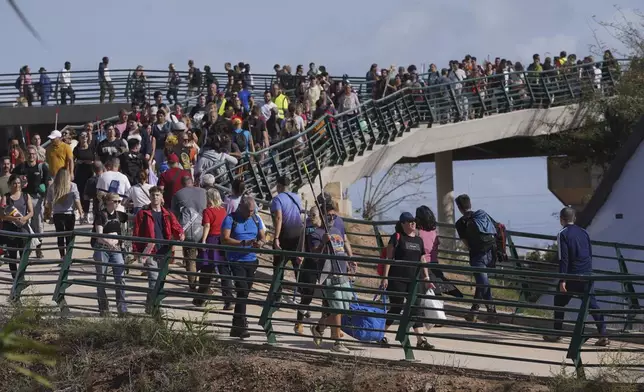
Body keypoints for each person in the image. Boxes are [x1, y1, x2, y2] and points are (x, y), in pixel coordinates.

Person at [543, 207, 610, 347]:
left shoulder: (563, 234)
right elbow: (589, 254)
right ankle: (603, 334)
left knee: (559, 301)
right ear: (574, 219)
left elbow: (563, 259)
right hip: (586, 274)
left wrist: (563, 280)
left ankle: (557, 333)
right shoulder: (584, 232)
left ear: (562, 219)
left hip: (573, 276)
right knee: (592, 304)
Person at [379, 212, 434, 349]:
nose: (413, 223)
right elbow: (389, 259)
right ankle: (380, 335)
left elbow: (422, 260)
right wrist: (385, 278)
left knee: (416, 308)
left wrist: (426, 277)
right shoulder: (397, 237)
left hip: (414, 279)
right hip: (397, 278)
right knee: (396, 307)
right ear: (403, 224)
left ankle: (421, 340)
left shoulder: (418, 240)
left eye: (414, 221)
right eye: (409, 221)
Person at [309, 203, 356, 353]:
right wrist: (323, 242)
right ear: (322, 216)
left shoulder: (337, 230)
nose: (331, 218)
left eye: (333, 215)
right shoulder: (316, 233)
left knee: (345, 307)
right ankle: (338, 342)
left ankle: (319, 327)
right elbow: (315, 256)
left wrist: (350, 261)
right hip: (329, 275)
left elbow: (342, 248)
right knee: (336, 309)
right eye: (328, 215)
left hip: (342, 274)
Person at [132, 186, 184, 313]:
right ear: (149, 197)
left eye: (157, 195)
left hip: (164, 251)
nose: (155, 197)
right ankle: (156, 309)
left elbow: (177, 227)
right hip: (150, 251)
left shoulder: (167, 214)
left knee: (160, 281)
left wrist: (181, 234)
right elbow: (136, 233)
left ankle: (149, 306)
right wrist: (137, 252)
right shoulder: (143, 213)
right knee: (153, 281)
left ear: (161, 197)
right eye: (153, 195)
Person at [220, 196, 266, 339]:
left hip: (251, 260)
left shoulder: (256, 219)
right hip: (236, 260)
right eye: (248, 211)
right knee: (242, 290)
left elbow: (263, 236)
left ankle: (236, 326)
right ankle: (243, 324)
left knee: (244, 294)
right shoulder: (230, 219)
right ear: (241, 207)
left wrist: (261, 243)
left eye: (253, 211)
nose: (250, 214)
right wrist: (242, 243)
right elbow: (224, 239)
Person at [454, 194, 499, 323]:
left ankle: (492, 314)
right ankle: (474, 311)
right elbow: (496, 228)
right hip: (491, 253)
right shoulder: (481, 215)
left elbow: (466, 243)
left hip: (477, 255)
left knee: (483, 283)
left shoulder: (460, 223)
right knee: (482, 281)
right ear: (470, 204)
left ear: (459, 207)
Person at [194, 188, 233, 308]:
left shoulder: (207, 211)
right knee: (224, 271)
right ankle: (228, 300)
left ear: (209, 198)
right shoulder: (223, 210)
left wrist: (204, 240)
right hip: (222, 241)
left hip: (211, 240)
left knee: (206, 270)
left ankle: (200, 299)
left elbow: (207, 225)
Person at [92, 193, 128, 316]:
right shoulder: (101, 215)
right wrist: (109, 242)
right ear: (108, 202)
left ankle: (122, 308)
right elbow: (98, 236)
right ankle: (103, 308)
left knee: (120, 278)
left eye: (119, 201)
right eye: (115, 201)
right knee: (101, 278)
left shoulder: (120, 215)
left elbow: (133, 218)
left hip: (116, 249)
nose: (118, 203)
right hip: (102, 248)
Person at [415, 205, 463, 299]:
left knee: (430, 290)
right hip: (434, 263)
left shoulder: (418, 232)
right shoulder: (434, 231)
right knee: (438, 286)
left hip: (423, 264)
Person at [12, 146, 50, 258]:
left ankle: (39, 248)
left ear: (36, 154)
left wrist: (47, 199)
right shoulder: (21, 167)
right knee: (25, 224)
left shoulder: (42, 166)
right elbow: (12, 177)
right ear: (25, 154)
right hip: (24, 198)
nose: (31, 155)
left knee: (38, 224)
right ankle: (27, 249)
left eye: (33, 153)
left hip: (37, 198)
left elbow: (48, 182)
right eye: (29, 153)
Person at [270, 175, 304, 302]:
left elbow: (279, 218)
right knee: (297, 265)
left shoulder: (277, 199)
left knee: (279, 266)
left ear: (278, 186)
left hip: (285, 234)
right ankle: (302, 294)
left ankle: (277, 296)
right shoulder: (296, 197)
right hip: (298, 234)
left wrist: (276, 238)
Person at [171, 175, 207, 291]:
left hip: (188, 230)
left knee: (190, 258)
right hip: (204, 228)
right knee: (204, 256)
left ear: (182, 184)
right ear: (192, 182)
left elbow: (174, 215)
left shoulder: (177, 194)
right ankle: (204, 282)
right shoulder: (203, 192)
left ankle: (192, 284)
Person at [0, 174, 33, 278]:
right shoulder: (6, 197)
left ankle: (21, 277)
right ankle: (15, 278)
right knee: (12, 256)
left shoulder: (26, 196)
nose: (17, 185)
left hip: (23, 229)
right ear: (10, 184)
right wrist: (13, 219)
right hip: (10, 230)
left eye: (18, 183)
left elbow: (31, 212)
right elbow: (2, 216)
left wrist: (24, 218)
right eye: (14, 183)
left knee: (24, 255)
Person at [45, 168, 83, 258]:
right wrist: (81, 212)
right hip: (69, 214)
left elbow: (49, 202)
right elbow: (77, 200)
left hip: (57, 214)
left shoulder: (52, 187)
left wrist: (48, 214)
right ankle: (69, 256)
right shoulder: (73, 186)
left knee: (60, 236)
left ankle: (62, 256)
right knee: (69, 236)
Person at [73, 131, 94, 223]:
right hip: (80, 173)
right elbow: (72, 161)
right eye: (82, 136)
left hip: (89, 173)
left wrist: (91, 163)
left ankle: (86, 213)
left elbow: (96, 160)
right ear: (79, 138)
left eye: (86, 136)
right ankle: (80, 212)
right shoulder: (76, 149)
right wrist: (77, 162)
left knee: (88, 194)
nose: (84, 137)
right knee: (80, 194)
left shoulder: (91, 148)